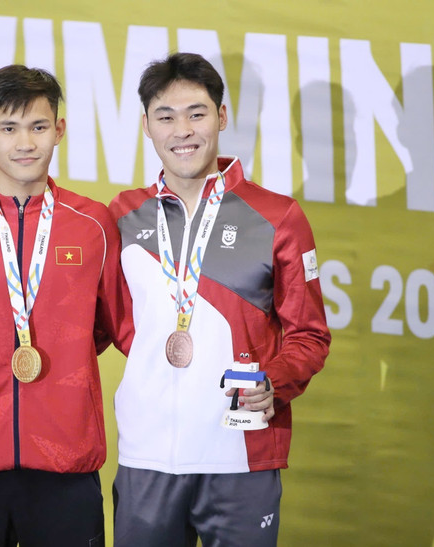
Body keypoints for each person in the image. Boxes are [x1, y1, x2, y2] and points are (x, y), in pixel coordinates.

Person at [108, 52, 331, 546]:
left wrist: (273, 381)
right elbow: (119, 323)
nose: (182, 130)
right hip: (147, 459)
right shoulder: (124, 216)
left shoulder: (279, 216)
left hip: (240, 455)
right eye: (166, 116)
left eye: (197, 113)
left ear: (222, 117)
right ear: (147, 126)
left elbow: (310, 334)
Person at [0, 64, 131, 546]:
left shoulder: (92, 223)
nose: (25, 143)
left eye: (38, 127)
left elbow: (107, 324)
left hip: (65, 463)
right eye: (8, 128)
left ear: (59, 130)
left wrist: (64, 351)